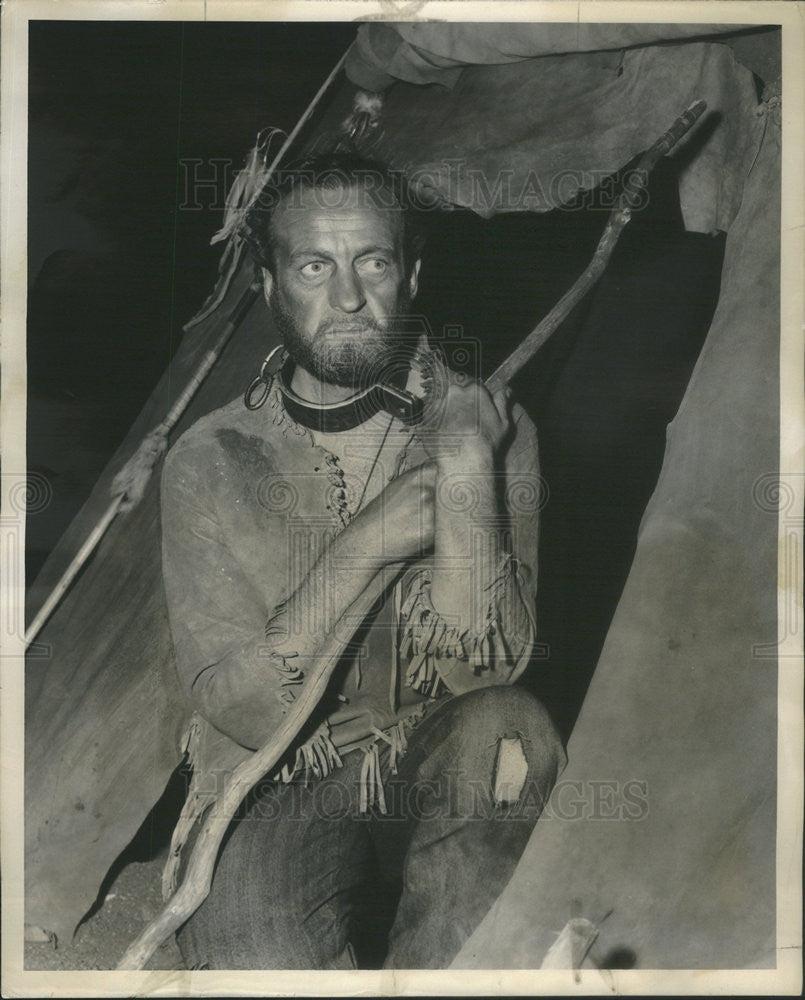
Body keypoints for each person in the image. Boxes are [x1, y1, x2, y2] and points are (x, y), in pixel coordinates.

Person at [160, 152, 565, 970]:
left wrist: (463, 480)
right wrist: (364, 543)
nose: (348, 298)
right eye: (314, 265)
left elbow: (487, 673)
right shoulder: (210, 457)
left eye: (372, 261)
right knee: (258, 961)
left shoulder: (491, 428)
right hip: (277, 777)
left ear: (410, 275)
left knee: (510, 739)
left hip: (435, 756)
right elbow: (237, 702)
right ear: (268, 285)